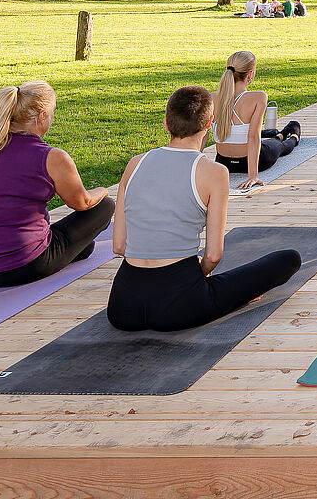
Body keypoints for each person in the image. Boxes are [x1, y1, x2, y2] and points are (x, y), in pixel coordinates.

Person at [107, 85, 302, 332]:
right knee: (288, 259)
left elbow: (119, 246)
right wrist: (197, 271)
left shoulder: (135, 163)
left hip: (123, 307)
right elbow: (212, 256)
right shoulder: (215, 172)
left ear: (166, 124)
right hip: (181, 307)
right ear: (210, 123)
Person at [0, 81, 114, 287]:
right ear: (42, 116)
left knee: (85, 247)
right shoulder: (52, 157)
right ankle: (75, 248)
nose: (53, 119)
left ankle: (78, 248)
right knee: (106, 207)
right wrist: (103, 191)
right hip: (20, 266)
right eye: (53, 113)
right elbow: (82, 203)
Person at [211, 51, 298, 189]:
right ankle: (292, 134)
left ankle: (278, 134)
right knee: (279, 146)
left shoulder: (212, 98)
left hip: (223, 163)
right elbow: (253, 137)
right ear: (250, 74)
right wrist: (253, 176)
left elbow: (202, 134)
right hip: (257, 161)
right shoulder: (259, 97)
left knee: (269, 141)